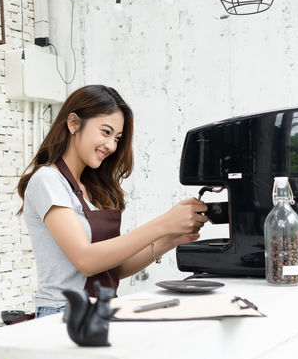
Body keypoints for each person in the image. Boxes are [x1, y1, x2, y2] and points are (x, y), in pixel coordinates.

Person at [17, 85, 208, 318]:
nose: (112, 146)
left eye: (117, 138)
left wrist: (170, 239)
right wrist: (163, 224)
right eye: (106, 132)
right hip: (63, 313)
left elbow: (111, 269)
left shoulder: (92, 190)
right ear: (73, 123)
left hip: (102, 308)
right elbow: (86, 260)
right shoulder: (48, 180)